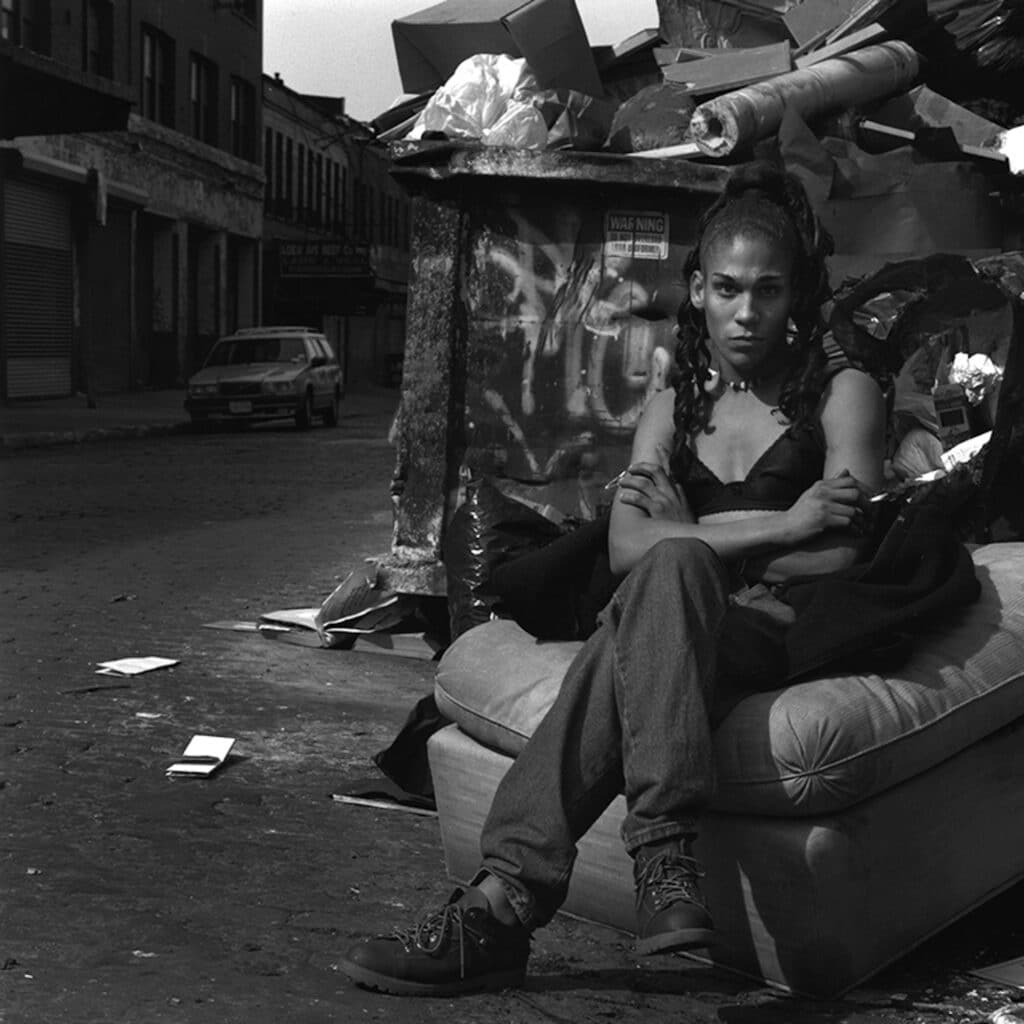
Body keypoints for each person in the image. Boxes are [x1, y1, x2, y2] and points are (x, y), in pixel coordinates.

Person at [339, 162, 887, 997]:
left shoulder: (842, 394)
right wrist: (785, 523)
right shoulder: (677, 405)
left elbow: (839, 556)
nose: (748, 312)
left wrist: (693, 533)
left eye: (769, 291)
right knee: (664, 577)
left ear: (796, 295)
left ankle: (513, 902)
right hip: (681, 619)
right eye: (729, 288)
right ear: (697, 290)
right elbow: (631, 546)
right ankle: (639, 871)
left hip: (778, 626)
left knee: (665, 578)